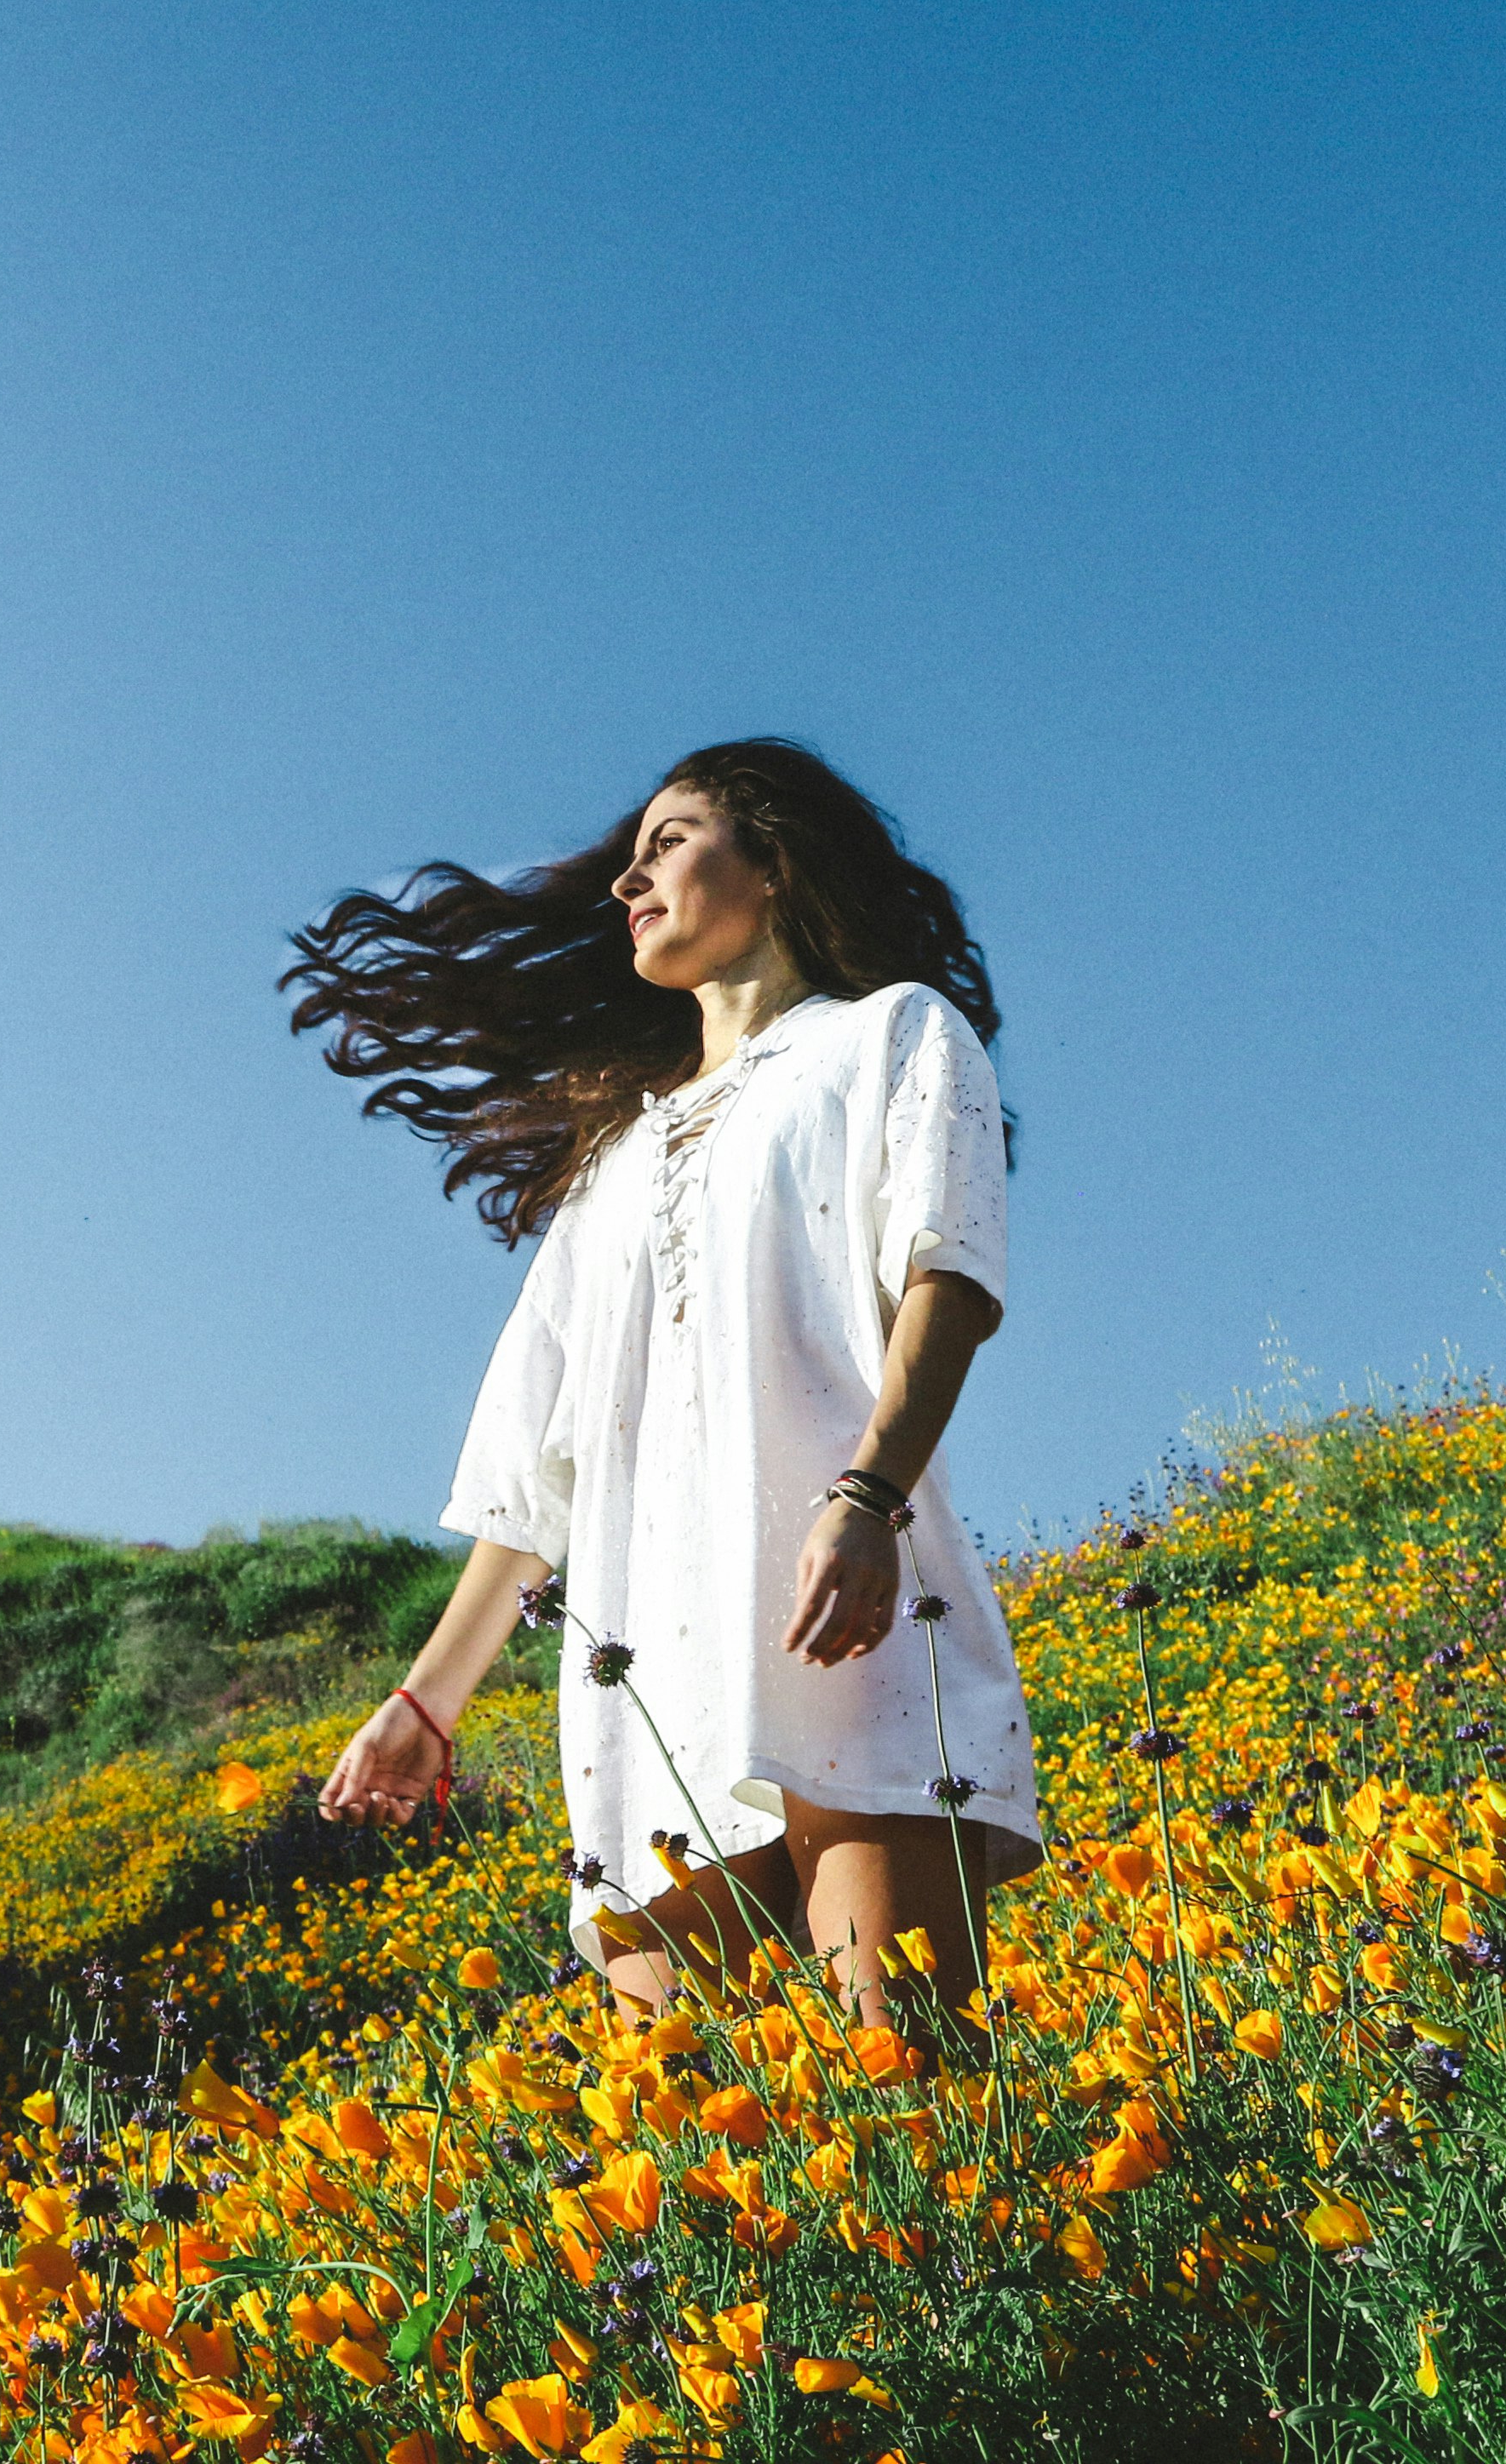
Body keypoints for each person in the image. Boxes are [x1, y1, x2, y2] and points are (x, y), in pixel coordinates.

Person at [289, 740, 1044, 2027]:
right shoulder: (613, 1166)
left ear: (776, 862)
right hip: (649, 1678)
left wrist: (867, 1496)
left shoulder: (891, 1038)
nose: (629, 880)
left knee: (909, 2092)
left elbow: (948, 1279)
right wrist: (427, 1701)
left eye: (671, 840)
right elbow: (540, 1471)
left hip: (854, 1615)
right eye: (630, 857)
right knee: (691, 2170)